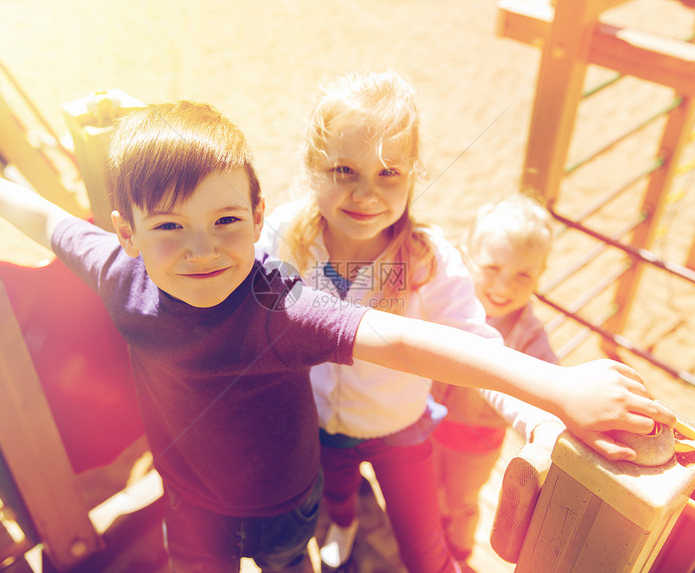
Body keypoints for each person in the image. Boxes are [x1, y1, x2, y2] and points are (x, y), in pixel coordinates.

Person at [0, 102, 674, 573]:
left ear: (257, 210)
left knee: (285, 562)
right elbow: (46, 219)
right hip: (189, 500)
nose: (203, 250)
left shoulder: (278, 307)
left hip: (283, 501)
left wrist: (556, 386)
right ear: (126, 235)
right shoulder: (115, 272)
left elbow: (405, 341)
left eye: (226, 222)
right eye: (170, 229)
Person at [255, 70, 620, 572]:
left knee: (424, 546)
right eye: (344, 170)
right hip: (316, 422)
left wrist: (536, 414)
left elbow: (477, 345)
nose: (366, 194)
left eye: (389, 174)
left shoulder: (429, 262)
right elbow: (246, 310)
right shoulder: (283, 236)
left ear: (413, 174)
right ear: (312, 166)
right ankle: (344, 523)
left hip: (398, 427)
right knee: (337, 490)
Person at [430, 192, 560, 563]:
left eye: (524, 274)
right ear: (466, 257)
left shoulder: (528, 334)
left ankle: (458, 549)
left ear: (539, 275)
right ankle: (426, 537)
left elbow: (550, 378)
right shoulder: (448, 304)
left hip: (476, 441)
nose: (504, 287)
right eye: (492, 268)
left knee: (461, 501)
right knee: (424, 489)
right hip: (424, 421)